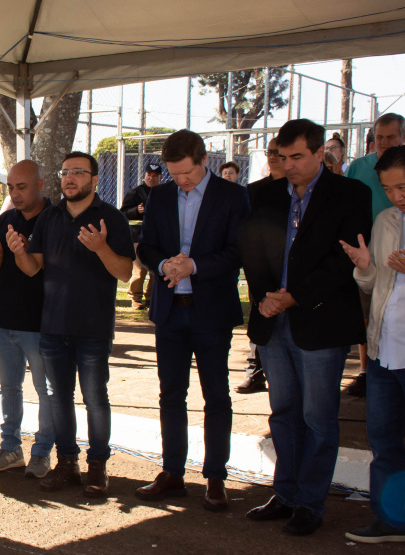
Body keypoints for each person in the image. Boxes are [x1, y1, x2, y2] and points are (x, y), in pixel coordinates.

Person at [239, 119, 370, 536]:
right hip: (272, 320)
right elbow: (253, 251)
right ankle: (287, 493)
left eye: (297, 157)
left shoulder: (351, 194)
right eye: (282, 157)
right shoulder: (263, 195)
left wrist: (293, 295)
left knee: (318, 418)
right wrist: (265, 295)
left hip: (320, 321)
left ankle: (311, 503)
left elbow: (343, 260)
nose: (289, 165)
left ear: (320, 154)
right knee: (284, 413)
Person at [7, 151, 135, 498]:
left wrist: (101, 248)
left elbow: (124, 273)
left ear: (94, 179)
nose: (70, 178)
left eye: (78, 172)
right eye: (65, 172)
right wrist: (18, 251)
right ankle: (67, 463)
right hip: (53, 327)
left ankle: (97, 467)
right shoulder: (50, 218)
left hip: (93, 327)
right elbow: (33, 268)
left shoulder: (111, 218)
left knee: (95, 399)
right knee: (59, 399)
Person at [134, 130, 249, 512]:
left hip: (211, 312)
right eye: (173, 173)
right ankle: (172, 473)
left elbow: (237, 252)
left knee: (216, 396)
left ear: (203, 161)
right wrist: (164, 263)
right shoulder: (161, 196)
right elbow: (147, 245)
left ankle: (216, 478)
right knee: (171, 395)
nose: (181, 181)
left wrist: (194, 265)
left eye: (186, 173)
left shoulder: (233, 196)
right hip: (169, 311)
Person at [341, 144, 405, 544]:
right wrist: (364, 267)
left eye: (404, 186)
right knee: (385, 442)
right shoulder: (386, 220)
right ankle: (391, 520)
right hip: (384, 354)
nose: (397, 196)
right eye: (389, 189)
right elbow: (375, 285)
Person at [0, 160, 54, 478]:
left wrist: (21, 252)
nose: (15, 193)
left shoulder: (54, 219)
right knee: (9, 388)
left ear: (40, 184)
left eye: (21, 186)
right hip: (4, 319)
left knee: (46, 391)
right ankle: (10, 447)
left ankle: (41, 453)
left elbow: (34, 268)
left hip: (40, 323)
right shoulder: (8, 217)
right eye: (11, 187)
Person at [345, 113, 405, 397]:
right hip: (366, 258)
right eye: (379, 137)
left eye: (390, 137)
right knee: (367, 314)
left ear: (403, 137)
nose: (383, 143)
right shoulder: (359, 166)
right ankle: (367, 369)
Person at [237, 138, 286, 394]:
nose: (274, 157)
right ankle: (254, 371)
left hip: (291, 278)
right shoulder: (254, 191)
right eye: (270, 152)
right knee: (261, 320)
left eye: (280, 152)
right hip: (261, 276)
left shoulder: (298, 190)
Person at [120, 162, 161, 310]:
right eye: (149, 175)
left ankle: (151, 298)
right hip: (138, 236)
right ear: (144, 176)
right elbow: (122, 213)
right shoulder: (135, 192)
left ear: (160, 178)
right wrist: (136, 210)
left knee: (156, 269)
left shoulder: (164, 193)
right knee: (139, 270)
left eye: (155, 176)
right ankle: (135, 298)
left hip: (158, 237)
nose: (151, 178)